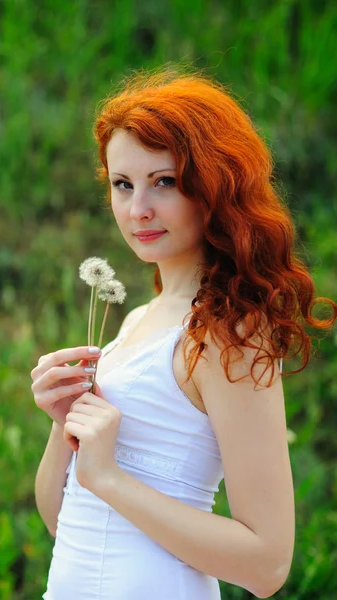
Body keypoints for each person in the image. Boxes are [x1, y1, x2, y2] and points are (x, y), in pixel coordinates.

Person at [32, 65, 337, 599]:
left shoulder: (229, 331)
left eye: (164, 182)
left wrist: (110, 479)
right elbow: (64, 523)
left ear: (213, 186)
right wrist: (65, 426)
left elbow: (267, 565)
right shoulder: (132, 324)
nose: (138, 209)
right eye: (123, 185)